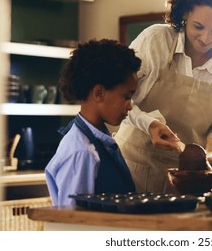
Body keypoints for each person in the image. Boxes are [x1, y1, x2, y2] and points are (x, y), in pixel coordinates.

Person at [114, 0, 212, 193]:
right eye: (198, 27)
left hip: (185, 182)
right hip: (130, 168)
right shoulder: (155, 40)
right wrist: (149, 124)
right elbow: (118, 95)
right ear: (184, 15)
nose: (206, 38)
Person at [45, 39, 141, 206]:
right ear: (99, 93)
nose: (130, 105)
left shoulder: (99, 141)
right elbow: (72, 220)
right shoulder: (82, 152)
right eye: (126, 97)